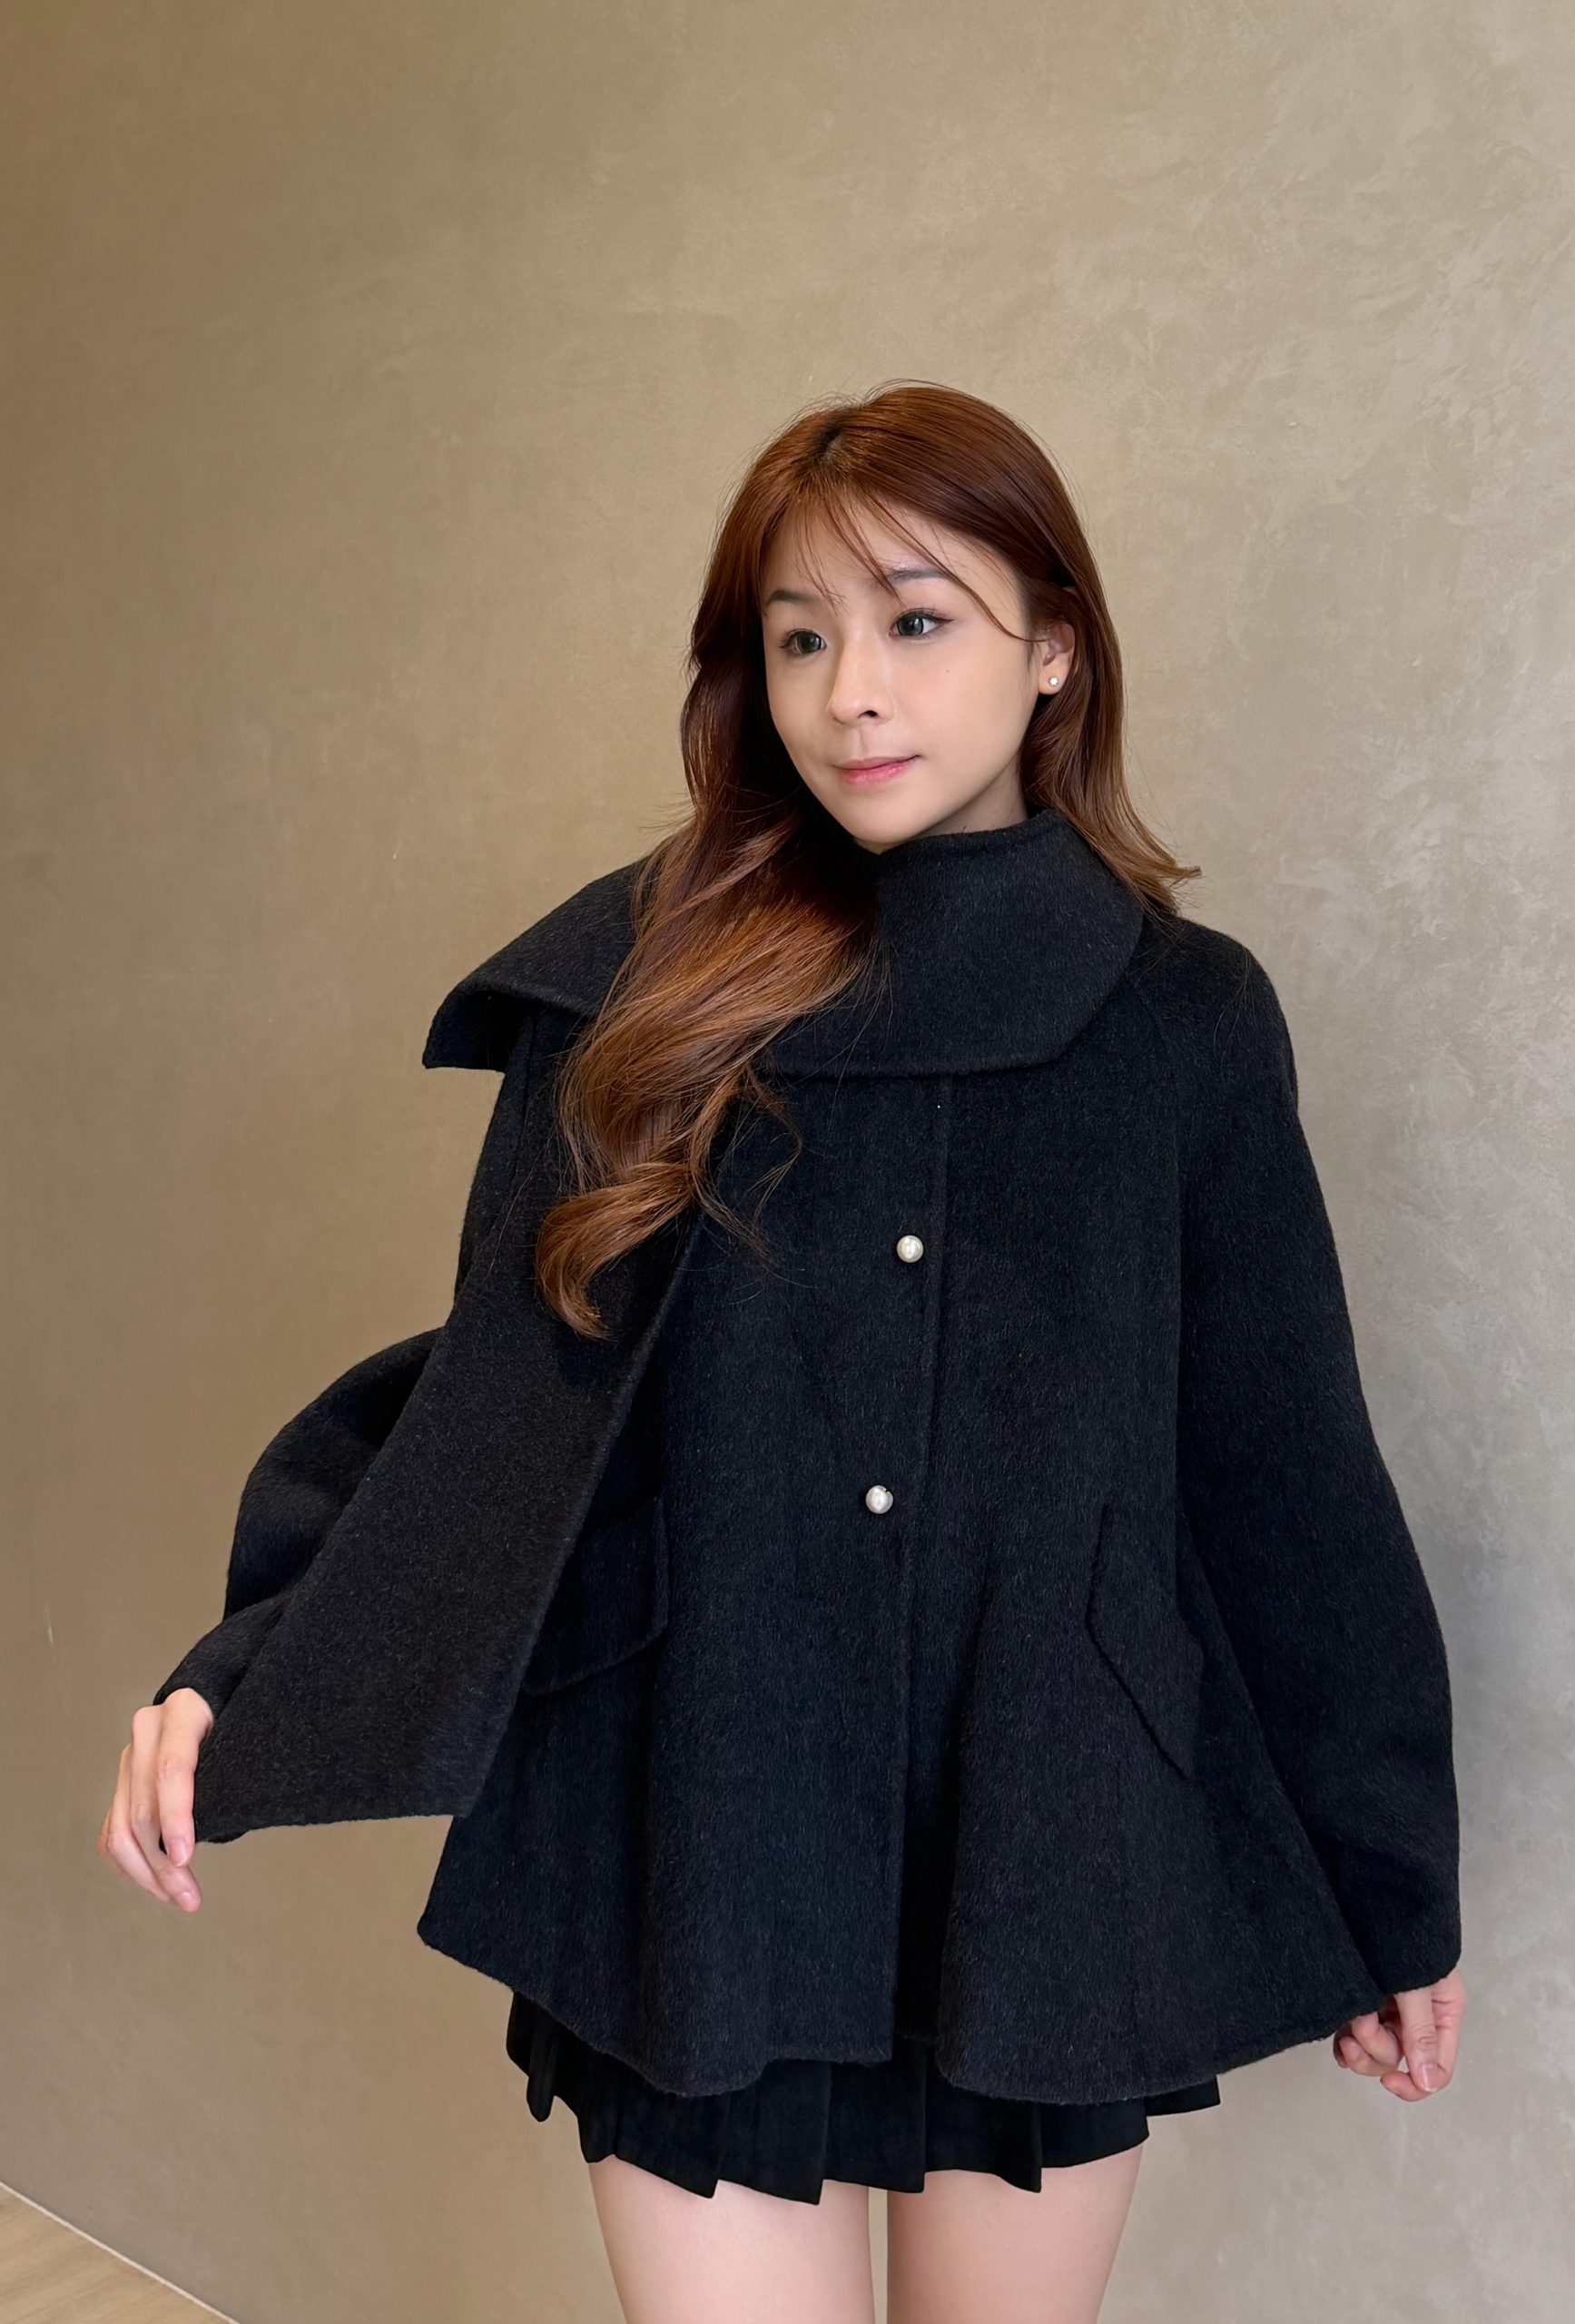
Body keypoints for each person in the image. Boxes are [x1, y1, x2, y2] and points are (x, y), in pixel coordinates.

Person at [101, 381, 1466, 2323]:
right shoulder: (641, 991)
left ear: (1055, 645)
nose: (851, 694)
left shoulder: (1182, 1021)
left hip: (1043, 1833)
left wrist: (1394, 1886)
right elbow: (500, 1407)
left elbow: (1284, 1471)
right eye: (799, 638)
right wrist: (249, 1664)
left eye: (915, 620)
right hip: (700, 1821)